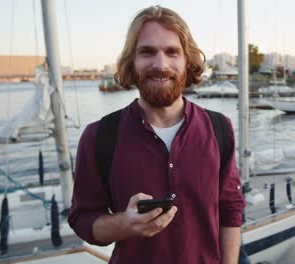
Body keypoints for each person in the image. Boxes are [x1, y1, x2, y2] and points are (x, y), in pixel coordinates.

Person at [68, 6, 245, 264]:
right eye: (147, 52)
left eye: (172, 52)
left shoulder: (219, 128)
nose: (160, 64)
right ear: (132, 61)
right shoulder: (99, 136)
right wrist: (125, 224)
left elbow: (230, 209)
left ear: (188, 60)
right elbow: (83, 220)